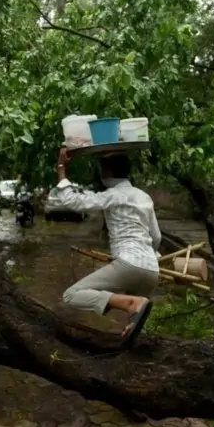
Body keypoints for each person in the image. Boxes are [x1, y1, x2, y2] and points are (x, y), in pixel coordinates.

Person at [47, 147, 160, 346]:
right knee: (136, 320)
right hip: (152, 270)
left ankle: (132, 303)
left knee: (71, 295)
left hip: (128, 264)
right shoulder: (145, 197)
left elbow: (73, 201)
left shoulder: (112, 195)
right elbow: (156, 237)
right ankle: (133, 329)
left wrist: (61, 168)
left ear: (106, 173)